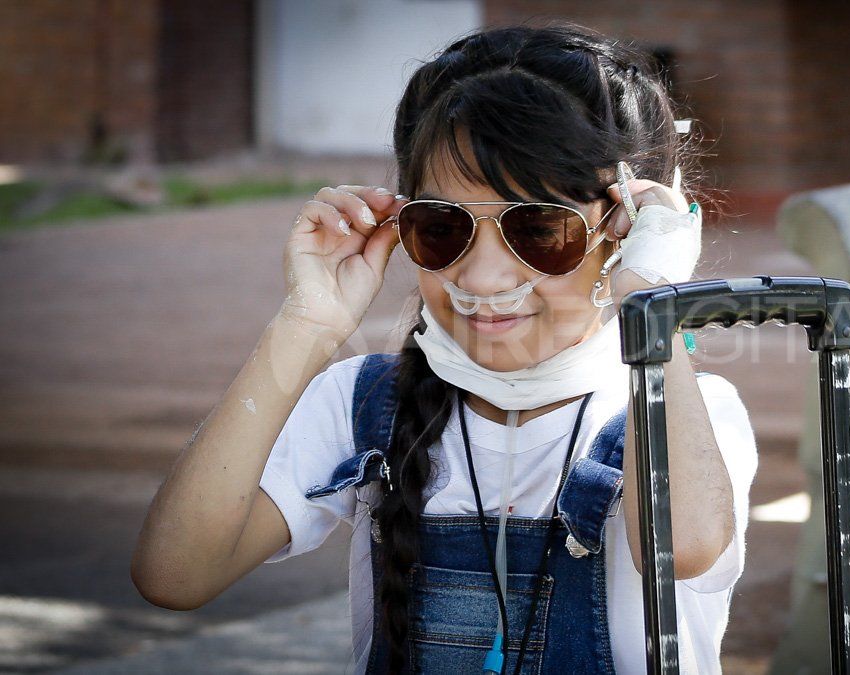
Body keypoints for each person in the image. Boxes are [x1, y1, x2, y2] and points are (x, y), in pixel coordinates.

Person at [131, 22, 758, 675]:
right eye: (441, 226)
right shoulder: (365, 402)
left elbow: (681, 547)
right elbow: (175, 574)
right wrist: (306, 325)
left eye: (540, 230)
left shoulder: (690, 412)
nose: (481, 279)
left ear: (630, 231)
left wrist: (651, 303)